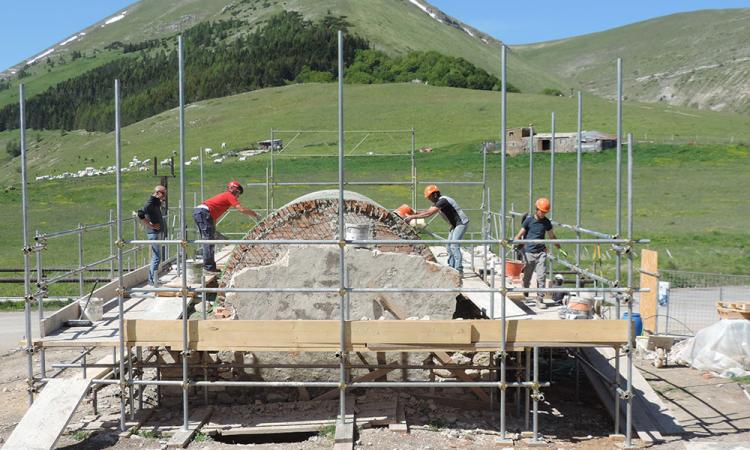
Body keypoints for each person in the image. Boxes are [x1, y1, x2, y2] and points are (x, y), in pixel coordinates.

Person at [193, 181, 260, 272]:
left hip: (202, 213)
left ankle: (209, 266)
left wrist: (213, 228)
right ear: (234, 190)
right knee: (208, 241)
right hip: (204, 213)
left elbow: (213, 216)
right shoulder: (229, 196)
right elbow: (241, 209)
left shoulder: (225, 198)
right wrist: (255, 214)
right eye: (238, 193)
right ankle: (208, 268)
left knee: (208, 239)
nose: (238, 196)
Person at [406, 185, 470, 276]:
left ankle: (459, 270)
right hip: (454, 225)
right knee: (449, 246)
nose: (429, 199)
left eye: (430, 197)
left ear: (435, 194)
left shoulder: (442, 201)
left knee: (454, 246)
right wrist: (415, 212)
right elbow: (427, 210)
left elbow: (428, 213)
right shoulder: (439, 202)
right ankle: (451, 267)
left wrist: (412, 217)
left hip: (461, 224)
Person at [514, 197, 560, 309]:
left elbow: (551, 235)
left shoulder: (546, 222)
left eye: (545, 212)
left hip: (541, 252)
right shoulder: (529, 220)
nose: (543, 214)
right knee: (527, 276)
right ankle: (525, 290)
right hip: (529, 252)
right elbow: (520, 234)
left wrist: (557, 244)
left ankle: (540, 299)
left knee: (541, 276)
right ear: (536, 209)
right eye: (542, 211)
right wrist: (516, 241)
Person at [138, 185, 166, 286]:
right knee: (157, 257)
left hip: (156, 233)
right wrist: (151, 225)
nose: (164, 196)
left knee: (157, 256)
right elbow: (140, 214)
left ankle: (153, 278)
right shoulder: (150, 202)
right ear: (157, 193)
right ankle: (151, 280)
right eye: (163, 193)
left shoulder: (155, 202)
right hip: (153, 233)